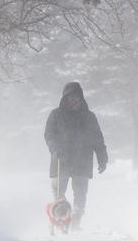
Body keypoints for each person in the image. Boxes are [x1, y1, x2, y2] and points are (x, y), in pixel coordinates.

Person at [44, 82, 108, 230]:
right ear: (64, 98)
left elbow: (97, 138)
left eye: (76, 97)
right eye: (70, 97)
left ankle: (76, 220)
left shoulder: (89, 117)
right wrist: (54, 148)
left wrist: (102, 157)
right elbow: (49, 134)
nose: (73, 100)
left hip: (82, 160)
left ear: (81, 98)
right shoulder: (56, 115)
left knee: (80, 193)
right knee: (58, 193)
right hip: (61, 159)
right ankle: (61, 217)